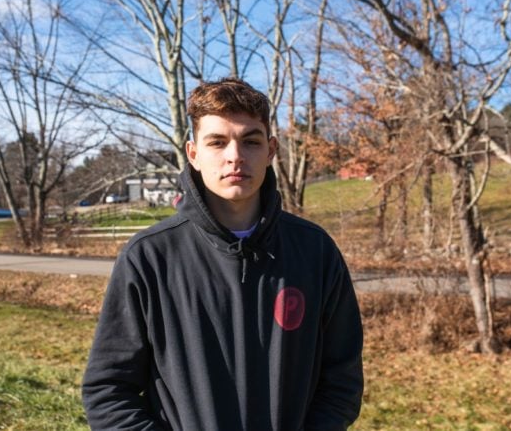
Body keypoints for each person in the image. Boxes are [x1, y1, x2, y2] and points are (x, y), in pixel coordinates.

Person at [81, 78, 363, 430]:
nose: (235, 156)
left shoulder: (315, 251)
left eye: (251, 141)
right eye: (217, 142)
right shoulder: (149, 258)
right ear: (193, 154)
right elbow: (108, 391)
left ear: (271, 150)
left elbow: (342, 382)